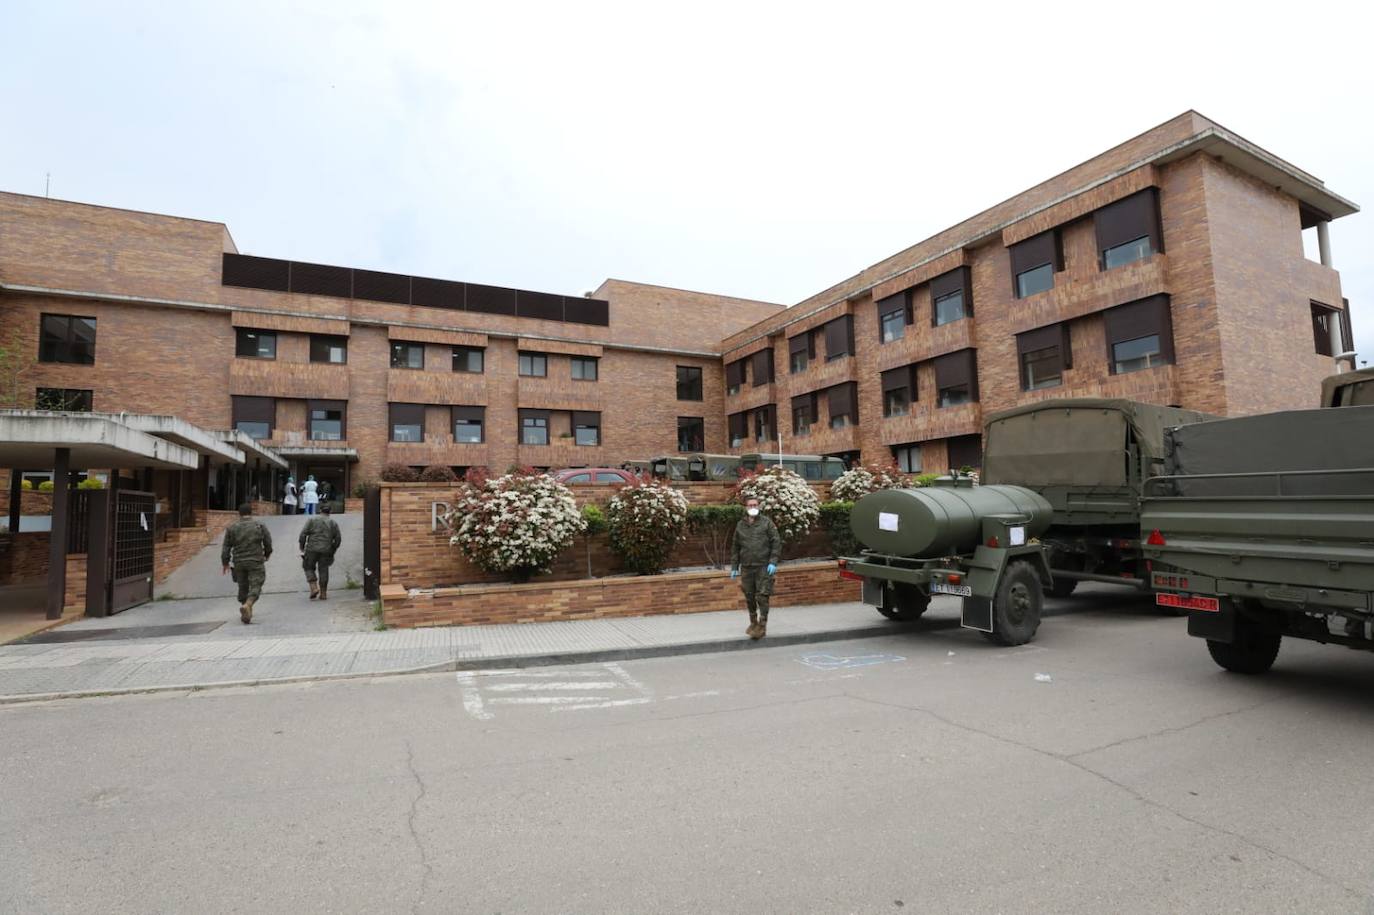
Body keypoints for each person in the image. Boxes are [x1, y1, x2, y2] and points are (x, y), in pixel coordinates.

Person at [730, 495, 781, 640]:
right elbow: (735, 547)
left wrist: (773, 561)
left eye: (755, 505)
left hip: (763, 566)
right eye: (750, 505)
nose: (753, 508)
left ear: (759, 506)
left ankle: (762, 624)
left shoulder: (766, 523)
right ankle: (753, 622)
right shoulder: (740, 525)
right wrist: (734, 566)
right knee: (749, 596)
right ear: (746, 507)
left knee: (762, 596)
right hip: (747, 567)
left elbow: (776, 542)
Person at [221, 502, 273, 624]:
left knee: (242, 586)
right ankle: (248, 604)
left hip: (238, 561)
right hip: (255, 560)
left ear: (239, 514)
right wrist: (267, 553)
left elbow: (226, 547)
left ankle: (246, 608)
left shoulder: (232, 528)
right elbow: (268, 541)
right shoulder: (259, 525)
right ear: (251, 512)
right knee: (256, 583)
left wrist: (225, 562)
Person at [299, 502, 342, 600]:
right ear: (330, 512)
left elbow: (303, 534)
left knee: (308, 567)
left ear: (320, 511)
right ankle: (323, 593)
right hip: (326, 549)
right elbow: (338, 539)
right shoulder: (333, 523)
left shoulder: (312, 520)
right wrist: (333, 549)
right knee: (323, 569)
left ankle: (314, 587)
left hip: (311, 549)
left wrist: (302, 546)